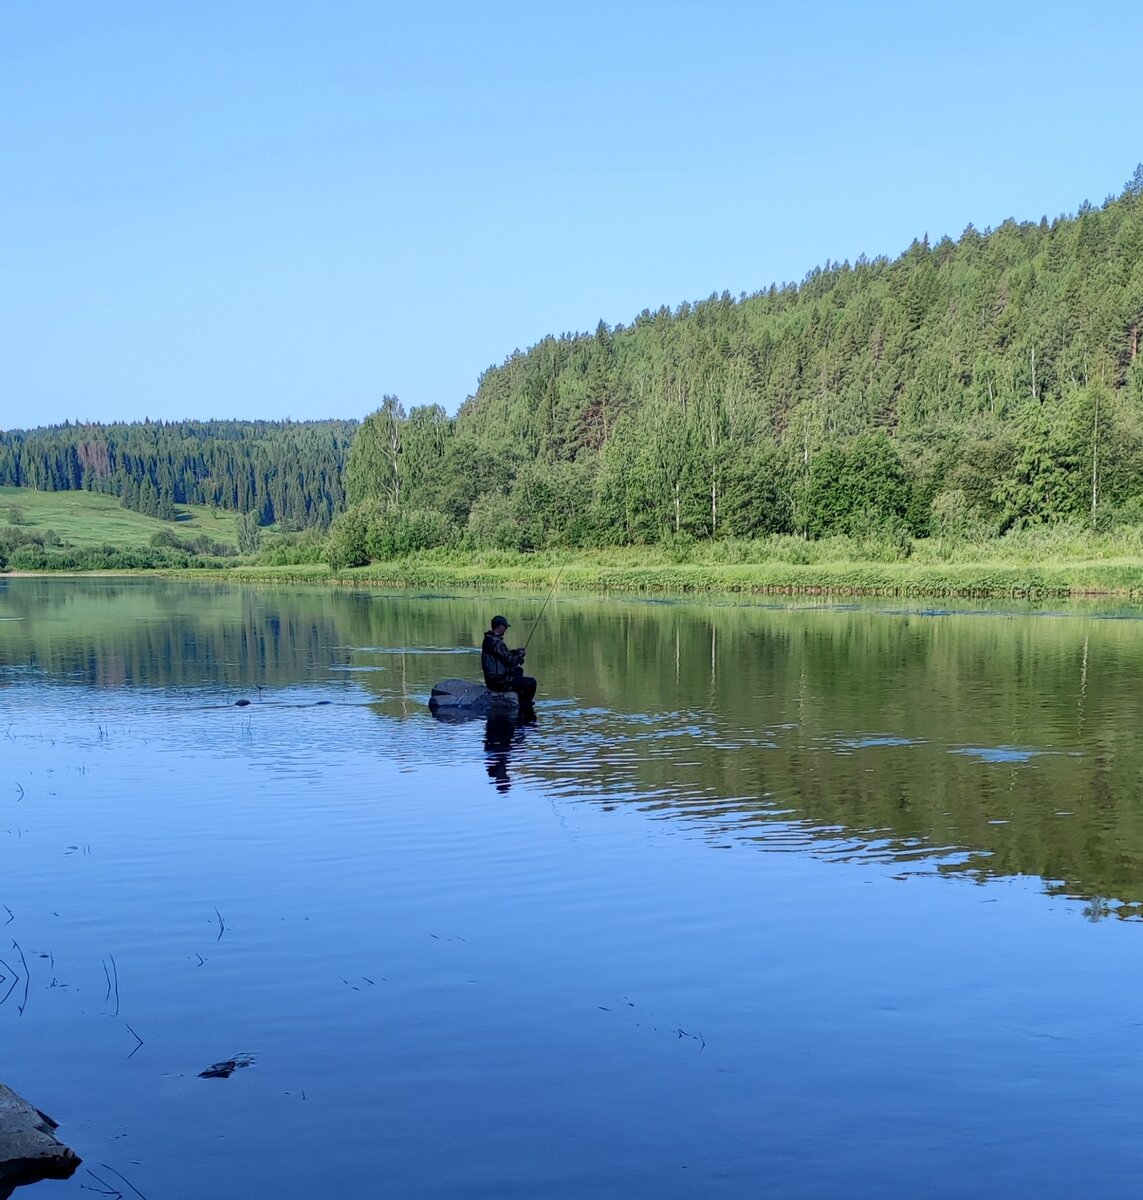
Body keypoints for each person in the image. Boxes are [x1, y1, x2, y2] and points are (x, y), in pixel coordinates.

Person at [481, 615, 537, 706]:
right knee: (531, 683)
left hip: (492, 679)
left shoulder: (489, 639)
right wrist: (520, 655)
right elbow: (511, 662)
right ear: (499, 626)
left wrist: (515, 652)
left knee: (518, 670)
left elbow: (502, 655)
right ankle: (524, 705)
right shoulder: (496, 642)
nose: (506, 629)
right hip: (497, 681)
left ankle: (516, 694)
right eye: (505, 626)